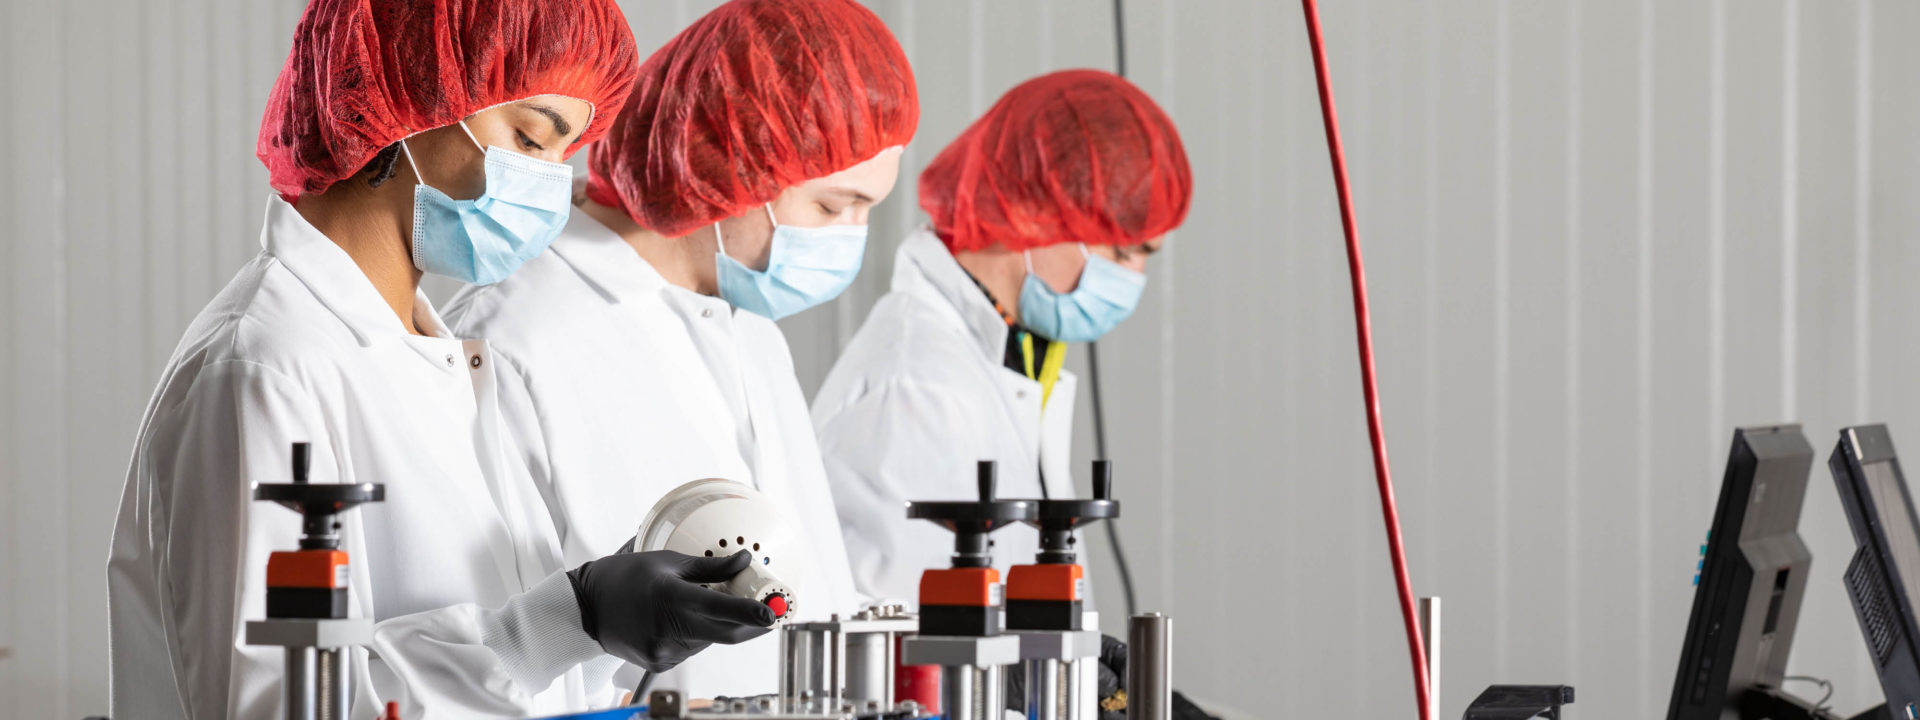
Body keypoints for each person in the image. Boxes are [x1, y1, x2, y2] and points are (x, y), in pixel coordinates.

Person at [107, 2, 778, 718]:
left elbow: (504, 674)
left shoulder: (431, 359)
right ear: (411, 99)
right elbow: (279, 703)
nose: (553, 187)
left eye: (564, 153)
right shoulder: (268, 369)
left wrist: (615, 653)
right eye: (529, 137)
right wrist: (570, 617)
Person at [441, 0, 919, 699]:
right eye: (831, 207)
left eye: (867, 210)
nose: (851, 236)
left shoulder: (746, 329)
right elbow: (489, 653)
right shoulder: (515, 338)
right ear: (729, 165)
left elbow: (807, 590)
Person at [812, 69, 1192, 604]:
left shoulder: (1002, 357)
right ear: (1033, 213)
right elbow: (899, 635)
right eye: (1122, 252)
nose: (1132, 280)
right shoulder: (916, 385)